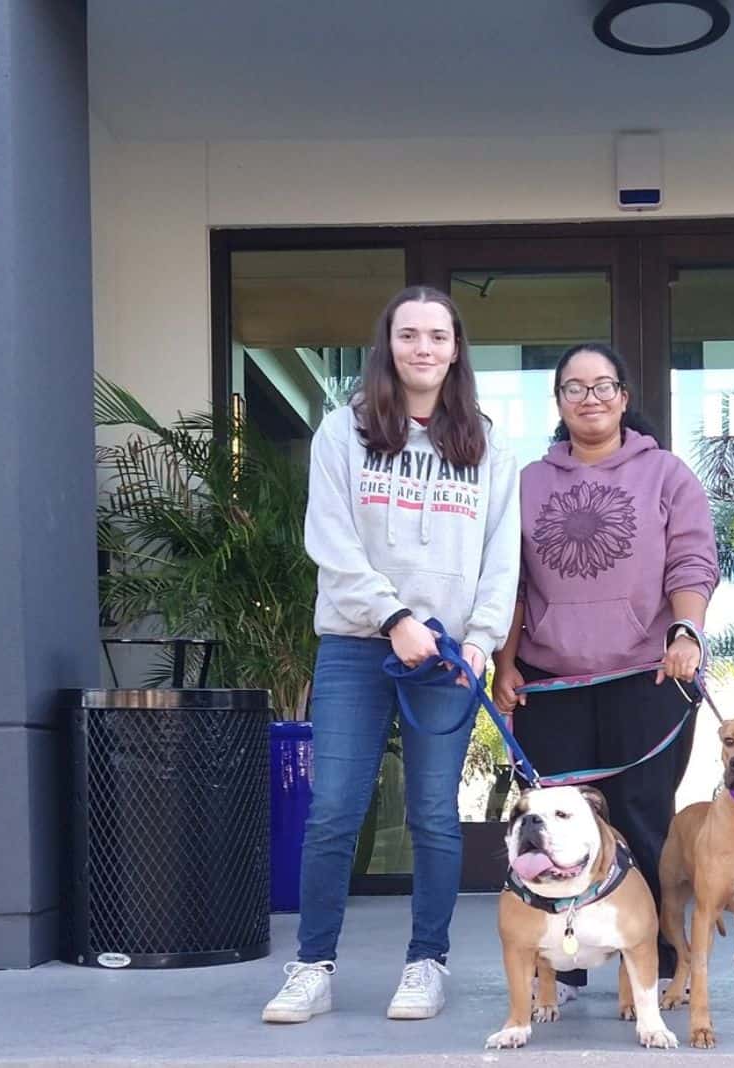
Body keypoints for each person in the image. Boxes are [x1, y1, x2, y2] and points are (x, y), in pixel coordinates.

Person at [263, 286, 521, 1024]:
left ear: (456, 348)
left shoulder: (489, 444)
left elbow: (502, 557)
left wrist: (478, 641)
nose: (424, 348)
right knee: (334, 811)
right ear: (388, 344)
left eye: (438, 336)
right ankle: (311, 965)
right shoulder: (342, 432)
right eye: (409, 335)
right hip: (355, 645)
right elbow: (332, 542)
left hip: (448, 655)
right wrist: (395, 616)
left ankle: (426, 963)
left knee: (434, 815)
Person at [492, 342, 719, 994]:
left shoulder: (667, 474)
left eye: (603, 386)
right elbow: (511, 582)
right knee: (554, 826)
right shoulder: (529, 482)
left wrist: (685, 632)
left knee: (641, 816)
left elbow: (691, 561)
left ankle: (656, 966)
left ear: (623, 397)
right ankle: (563, 964)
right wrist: (506, 665)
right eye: (575, 387)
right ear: (559, 403)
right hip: (550, 681)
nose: (590, 398)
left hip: (648, 676)